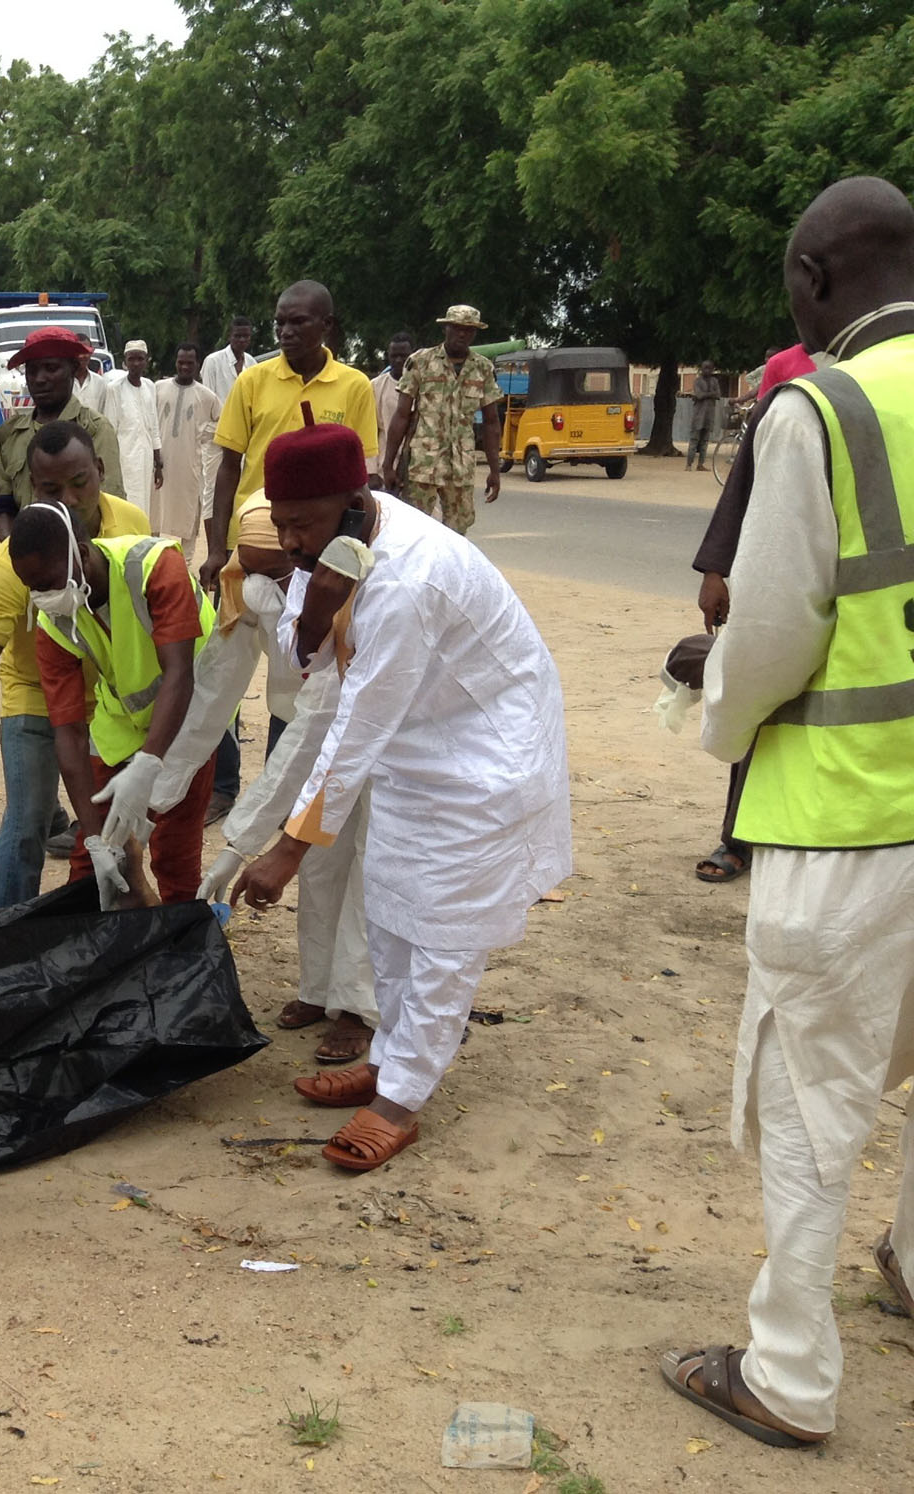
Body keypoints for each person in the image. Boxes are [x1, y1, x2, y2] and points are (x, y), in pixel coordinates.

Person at [661, 175, 914, 1450]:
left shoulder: (815, 410)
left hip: (847, 821)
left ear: (812, 280)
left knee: (817, 1103)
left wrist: (712, 711)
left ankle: (787, 1379)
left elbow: (764, 635)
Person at [229, 421, 570, 1172]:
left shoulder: (410, 577)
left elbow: (356, 728)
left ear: (356, 502)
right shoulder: (324, 552)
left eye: (304, 524)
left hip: (484, 759)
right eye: (279, 521)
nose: (288, 540)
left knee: (444, 935)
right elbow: (300, 652)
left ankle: (402, 1097)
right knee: (388, 907)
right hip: (414, 753)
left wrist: (288, 849)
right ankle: (388, 1055)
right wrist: (316, 600)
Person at [157, 495, 375, 1064]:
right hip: (304, 728)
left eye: (273, 572)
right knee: (320, 862)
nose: (260, 585)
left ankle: (358, 1008)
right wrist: (156, 792)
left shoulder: (343, 602)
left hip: (365, 733)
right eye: (248, 570)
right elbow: (211, 696)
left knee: (364, 870)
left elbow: (313, 732)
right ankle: (320, 990)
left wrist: (238, 845)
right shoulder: (246, 594)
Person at [0, 421, 152, 908]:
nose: (69, 499)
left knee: (118, 824)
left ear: (101, 471)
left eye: (79, 483)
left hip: (113, 697)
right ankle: (3, 936)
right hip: (37, 691)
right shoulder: (16, 558)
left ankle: (109, 930)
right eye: (51, 488)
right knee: (26, 819)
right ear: (31, 487)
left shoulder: (132, 523)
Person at [9, 494, 213, 906]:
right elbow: (67, 730)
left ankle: (180, 945)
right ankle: (98, 940)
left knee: (174, 850)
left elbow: (179, 673)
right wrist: (99, 840)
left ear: (81, 554)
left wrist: (149, 762)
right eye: (32, 588)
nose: (41, 597)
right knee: (91, 851)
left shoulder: (155, 566)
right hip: (122, 717)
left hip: (192, 711)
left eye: (46, 583)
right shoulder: (55, 619)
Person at [689, 341, 829, 883]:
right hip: (782, 567)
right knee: (765, 700)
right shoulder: (788, 373)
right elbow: (750, 472)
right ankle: (738, 840)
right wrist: (715, 569)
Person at [202, 281, 377, 592]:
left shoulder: (355, 386)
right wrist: (218, 549)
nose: (285, 332)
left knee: (315, 634)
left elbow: (362, 475)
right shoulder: (252, 382)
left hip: (324, 541)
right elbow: (229, 468)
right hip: (255, 534)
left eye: (298, 322)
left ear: (327, 324)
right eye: (280, 323)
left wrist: (357, 543)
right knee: (246, 632)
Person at [0, 325, 124, 539]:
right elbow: (2, 503)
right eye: (32, 371)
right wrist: (15, 553)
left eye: (51, 368)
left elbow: (110, 507)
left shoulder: (95, 429)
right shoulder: (10, 434)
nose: (40, 379)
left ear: (75, 369)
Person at [383, 305, 503, 535]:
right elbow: (402, 415)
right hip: (422, 466)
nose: (462, 334)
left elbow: (491, 422)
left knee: (457, 535)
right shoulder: (420, 362)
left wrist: (495, 470)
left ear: (475, 333)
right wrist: (389, 464)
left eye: (469, 330)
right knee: (413, 533)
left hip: (461, 467)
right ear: (446, 328)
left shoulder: (483, 369)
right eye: (457, 328)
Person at [155, 343, 224, 547]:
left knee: (189, 513)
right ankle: (154, 557)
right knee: (156, 511)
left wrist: (204, 432)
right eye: (181, 362)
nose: (185, 367)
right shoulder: (158, 388)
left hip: (190, 465)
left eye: (190, 363)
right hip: (160, 464)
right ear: (175, 362)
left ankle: (186, 565)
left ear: (197, 364)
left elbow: (222, 423)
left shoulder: (206, 396)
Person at [97, 340, 164, 514]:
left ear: (146, 361)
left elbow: (154, 425)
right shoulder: (114, 389)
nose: (136, 363)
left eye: (140, 359)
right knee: (128, 505)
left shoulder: (150, 386)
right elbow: (109, 429)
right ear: (125, 362)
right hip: (124, 459)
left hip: (146, 457)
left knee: (145, 505)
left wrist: (158, 463)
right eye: (131, 359)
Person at [369, 333, 415, 488]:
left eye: (404, 356)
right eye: (394, 356)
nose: (398, 360)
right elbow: (370, 429)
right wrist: (372, 470)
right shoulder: (375, 386)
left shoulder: (426, 385)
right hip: (384, 463)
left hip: (419, 464)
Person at [200, 316, 256, 400]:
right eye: (237, 336)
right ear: (229, 336)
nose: (242, 340)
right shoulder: (213, 361)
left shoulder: (252, 363)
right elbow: (206, 398)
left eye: (246, 336)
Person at [687, 360, 726, 470]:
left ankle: (701, 464)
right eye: (705, 368)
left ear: (713, 369)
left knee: (704, 441)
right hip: (698, 415)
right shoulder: (697, 381)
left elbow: (718, 394)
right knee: (694, 440)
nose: (707, 370)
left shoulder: (715, 381)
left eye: (710, 368)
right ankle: (689, 464)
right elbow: (699, 395)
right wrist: (710, 394)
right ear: (701, 368)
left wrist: (706, 395)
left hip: (709, 416)